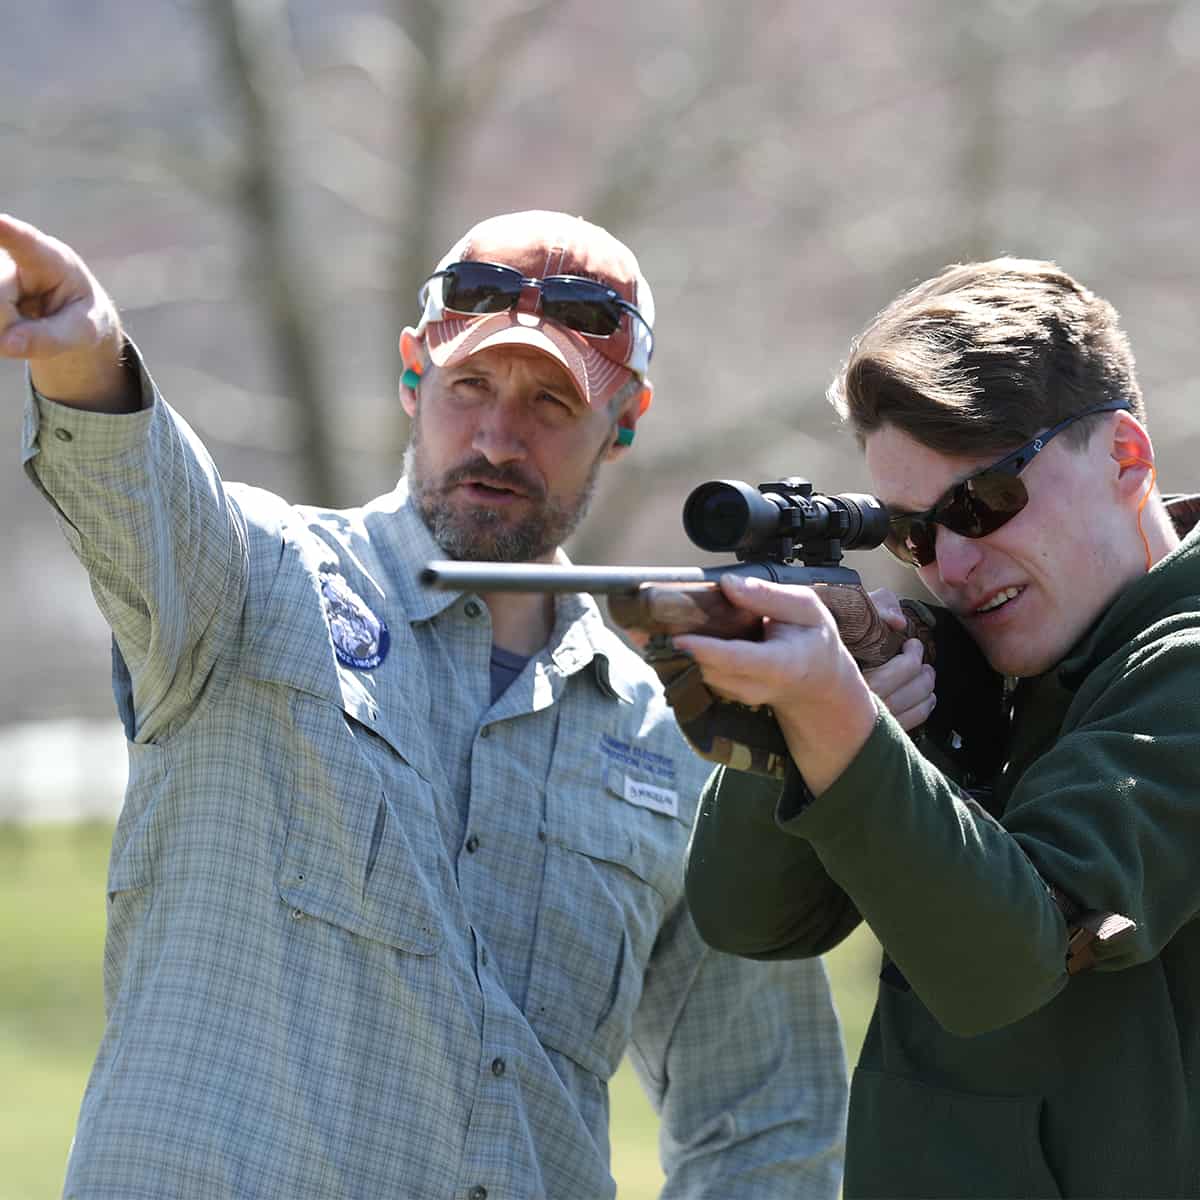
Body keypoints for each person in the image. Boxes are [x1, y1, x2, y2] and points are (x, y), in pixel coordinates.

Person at [1, 209, 848, 1199]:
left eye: (551, 403)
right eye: (471, 385)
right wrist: (91, 355)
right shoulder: (247, 586)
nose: (497, 435)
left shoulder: (679, 743)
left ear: (624, 424)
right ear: (414, 375)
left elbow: (770, 1124)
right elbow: (138, 492)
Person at [676, 257, 1200, 1198]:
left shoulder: (1181, 660)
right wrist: (799, 717)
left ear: (1126, 456)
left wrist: (845, 727)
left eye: (982, 503)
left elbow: (1009, 960)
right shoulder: (994, 665)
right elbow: (747, 917)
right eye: (913, 532)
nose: (950, 566)